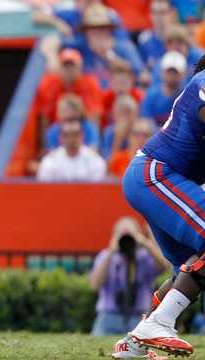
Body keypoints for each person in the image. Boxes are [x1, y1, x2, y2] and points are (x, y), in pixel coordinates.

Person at [110, 55, 205, 359]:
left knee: (189, 269)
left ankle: (135, 342)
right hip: (156, 174)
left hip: (158, 178)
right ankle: (160, 323)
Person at [90, 217, 169, 336]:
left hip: (139, 317)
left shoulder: (144, 257)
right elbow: (95, 284)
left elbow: (164, 267)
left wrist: (147, 244)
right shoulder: (105, 256)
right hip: (109, 316)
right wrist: (111, 252)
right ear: (114, 235)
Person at [37, 120, 106, 182]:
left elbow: (97, 188)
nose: (71, 139)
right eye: (66, 135)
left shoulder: (94, 160)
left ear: (82, 136)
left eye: (76, 134)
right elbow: (46, 188)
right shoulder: (50, 161)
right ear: (60, 137)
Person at [141, 51, 187, 127]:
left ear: (183, 74)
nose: (172, 76)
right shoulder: (151, 95)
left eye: (175, 72)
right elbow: (147, 121)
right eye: (169, 72)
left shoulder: (188, 95)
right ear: (162, 72)